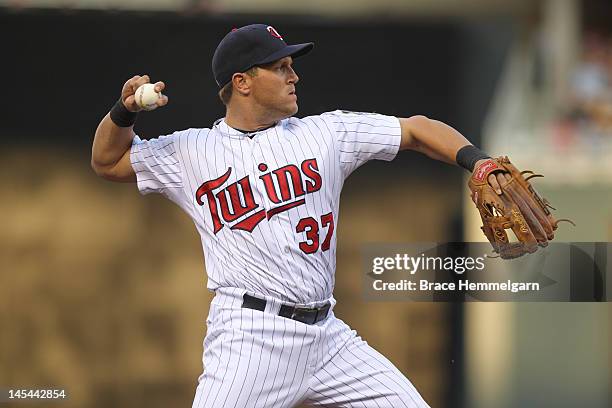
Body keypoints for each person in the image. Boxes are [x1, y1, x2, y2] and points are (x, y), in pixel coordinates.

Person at [91, 23, 503, 408]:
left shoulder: (325, 134)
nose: (294, 76)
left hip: (328, 337)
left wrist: (480, 163)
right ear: (243, 82)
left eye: (292, 66)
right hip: (250, 337)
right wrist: (123, 113)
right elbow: (107, 162)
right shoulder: (190, 151)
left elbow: (415, 129)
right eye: (281, 66)